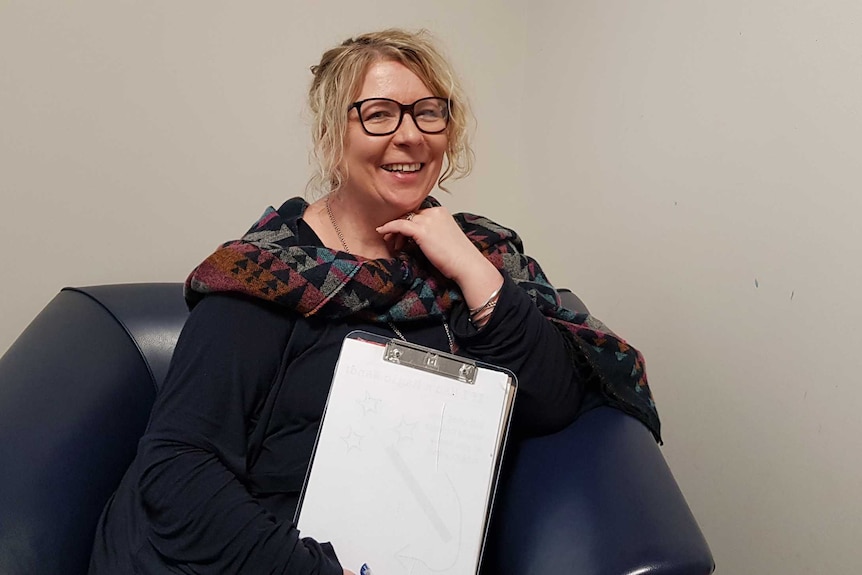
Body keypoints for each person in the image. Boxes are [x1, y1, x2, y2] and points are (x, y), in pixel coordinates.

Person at [88, 29, 660, 575]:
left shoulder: (475, 252)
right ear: (333, 138)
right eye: (379, 113)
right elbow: (177, 472)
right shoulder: (265, 276)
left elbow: (554, 402)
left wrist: (467, 265)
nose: (409, 135)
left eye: (428, 112)